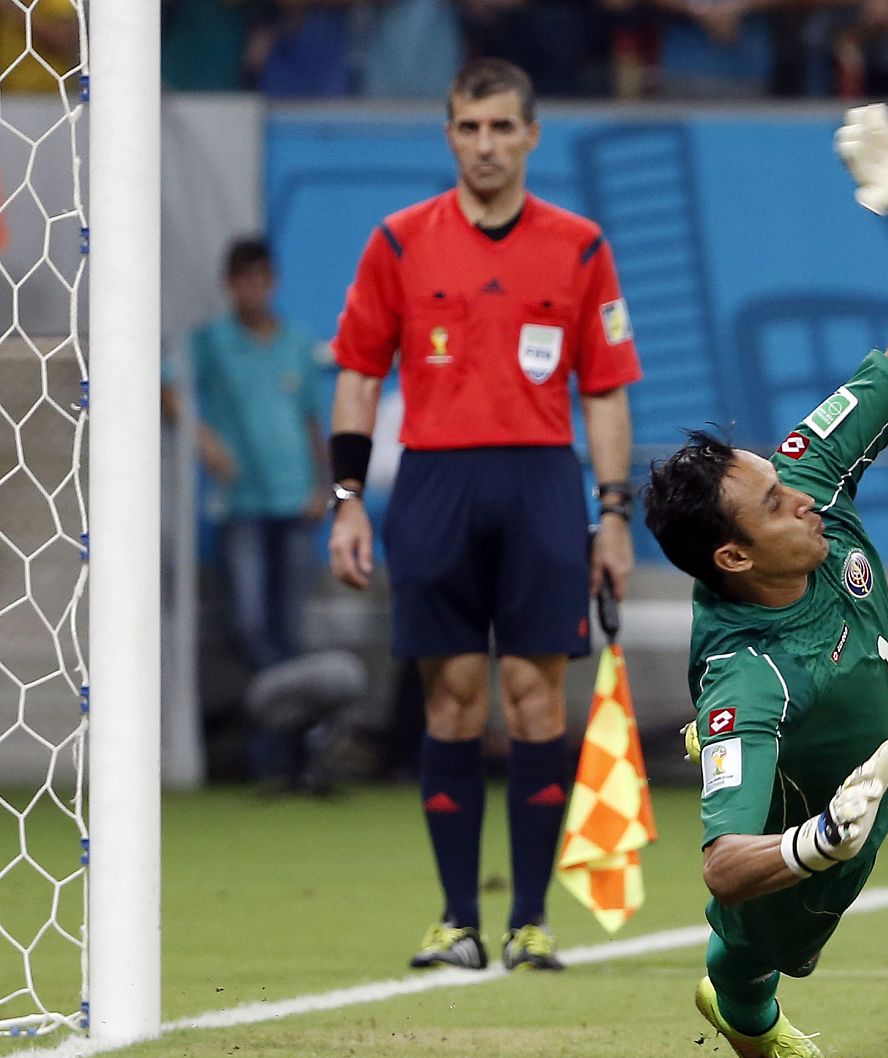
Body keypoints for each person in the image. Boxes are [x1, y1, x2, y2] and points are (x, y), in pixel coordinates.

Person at [642, 105, 888, 1058]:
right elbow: (722, 859)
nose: (800, 494)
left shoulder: (807, 475)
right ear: (731, 560)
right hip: (821, 809)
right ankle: (743, 1009)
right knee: (762, 954)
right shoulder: (747, 679)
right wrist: (812, 842)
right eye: (771, 500)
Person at [325, 58, 642, 973]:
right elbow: (358, 371)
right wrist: (349, 500)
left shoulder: (580, 246)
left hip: (543, 484)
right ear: (449, 134)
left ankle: (531, 920)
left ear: (532, 134)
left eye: (503, 127)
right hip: (433, 486)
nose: (486, 145)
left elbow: (608, 393)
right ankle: (457, 920)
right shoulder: (399, 241)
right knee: (453, 699)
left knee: (536, 699)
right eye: (469, 128)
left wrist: (612, 515)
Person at [160, 237, 328, 786]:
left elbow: (312, 421)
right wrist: (203, 438)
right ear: (229, 284)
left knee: (287, 626)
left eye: (260, 277)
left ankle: (277, 755)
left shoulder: (298, 344)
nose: (251, 288)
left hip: (294, 501)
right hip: (242, 505)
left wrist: (324, 486)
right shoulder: (211, 343)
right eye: (241, 279)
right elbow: (167, 384)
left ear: (271, 281)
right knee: (249, 625)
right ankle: (293, 732)